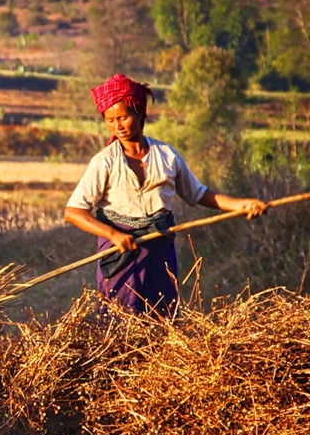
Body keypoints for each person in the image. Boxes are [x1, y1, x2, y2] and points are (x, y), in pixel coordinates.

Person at [64, 74, 268, 316]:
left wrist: (240, 205)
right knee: (118, 320)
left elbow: (198, 194)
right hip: (119, 254)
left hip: (160, 246)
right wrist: (113, 234)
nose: (117, 126)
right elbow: (73, 211)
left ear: (140, 113)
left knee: (162, 317)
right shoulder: (104, 162)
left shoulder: (167, 155)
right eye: (110, 120)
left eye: (123, 117)